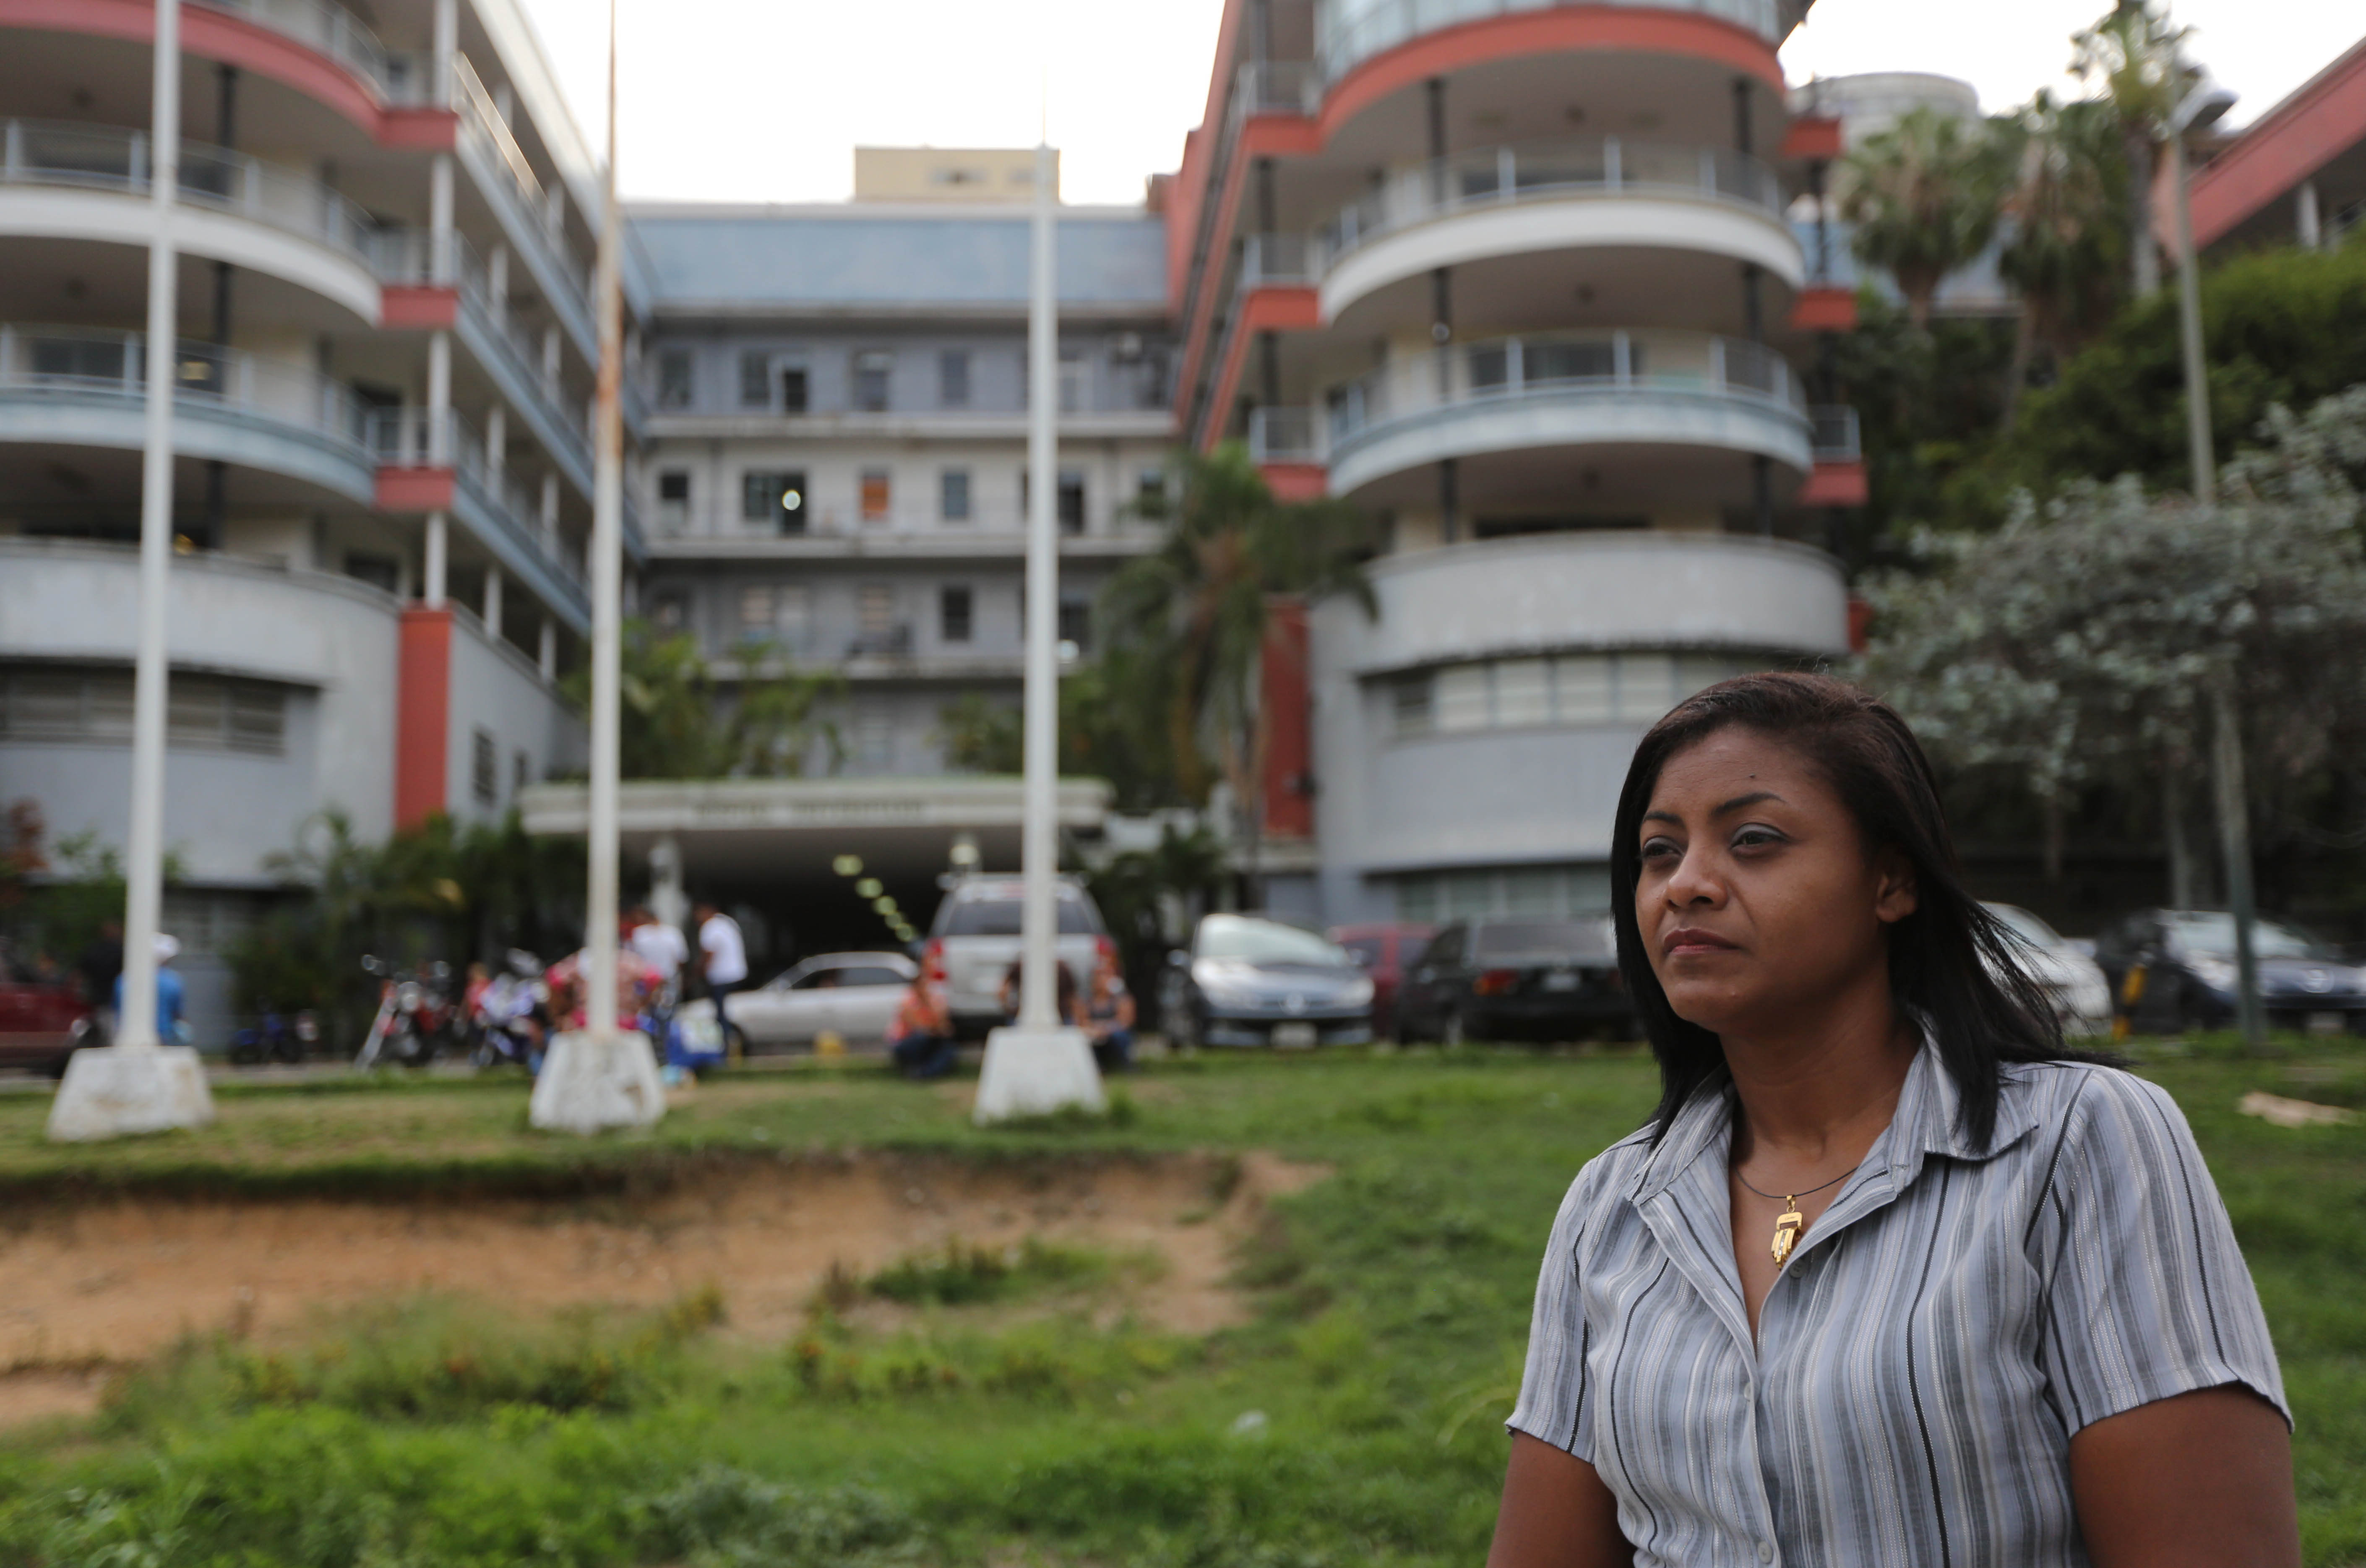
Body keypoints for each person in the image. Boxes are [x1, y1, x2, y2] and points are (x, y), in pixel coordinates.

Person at [1486, 672, 2296, 1568]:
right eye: (1658, 852)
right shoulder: (1612, 1207)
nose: (1687, 885)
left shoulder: (2079, 1143)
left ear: (1892, 881)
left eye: (1753, 840)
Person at [694, 899, 749, 1057]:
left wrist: (699, 973)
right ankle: (729, 1047)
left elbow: (709, 953)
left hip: (722, 976)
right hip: (738, 974)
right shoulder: (728, 922)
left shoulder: (710, 927)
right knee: (726, 1013)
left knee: (720, 1016)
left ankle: (724, 1051)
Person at [887, 962, 958, 1081]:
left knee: (948, 1047)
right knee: (921, 1037)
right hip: (905, 1042)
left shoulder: (935, 999)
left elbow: (945, 1027)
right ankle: (915, 1070)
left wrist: (934, 1012)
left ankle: (926, 1073)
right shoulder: (908, 1000)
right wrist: (935, 1027)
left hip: (930, 1038)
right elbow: (917, 1026)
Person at [111, 932, 185, 1043]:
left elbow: (117, 1008)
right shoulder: (173, 980)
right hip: (164, 1035)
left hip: (126, 1034)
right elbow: (177, 1011)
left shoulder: (124, 978)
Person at [1081, 949, 1135, 1073]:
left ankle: (1123, 1065)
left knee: (1119, 1036)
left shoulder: (1121, 998)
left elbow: (1126, 1021)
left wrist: (1105, 1029)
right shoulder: (1087, 1000)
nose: (1101, 979)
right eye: (1098, 975)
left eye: (1105, 974)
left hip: (1113, 1033)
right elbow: (1082, 1021)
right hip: (1094, 1034)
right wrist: (1094, 1029)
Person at [626, 906, 690, 1007]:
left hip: (647, 980)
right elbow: (681, 960)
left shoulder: (638, 933)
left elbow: (631, 958)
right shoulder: (673, 934)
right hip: (666, 978)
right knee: (667, 1010)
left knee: (647, 1011)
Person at [78, 918, 123, 1039]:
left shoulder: (93, 951)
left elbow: (81, 974)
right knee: (112, 1031)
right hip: (116, 998)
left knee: (101, 1028)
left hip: (96, 998)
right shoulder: (121, 951)